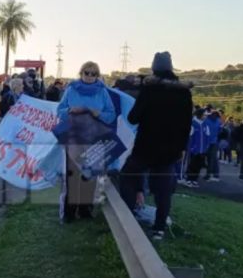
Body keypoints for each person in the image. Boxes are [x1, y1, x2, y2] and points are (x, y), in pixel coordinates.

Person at [120, 51, 193, 240]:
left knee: (128, 176)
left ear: (154, 68)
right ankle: (159, 229)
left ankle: (127, 218)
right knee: (163, 191)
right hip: (171, 150)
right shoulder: (184, 92)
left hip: (146, 147)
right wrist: (181, 148)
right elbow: (187, 124)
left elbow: (133, 118)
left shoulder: (150, 90)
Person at [57, 61, 116, 222]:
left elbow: (111, 114)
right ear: (81, 73)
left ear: (98, 76)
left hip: (94, 138)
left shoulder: (103, 92)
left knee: (89, 175)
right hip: (74, 138)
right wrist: (69, 110)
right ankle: (69, 213)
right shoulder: (71, 89)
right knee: (72, 176)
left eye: (93, 74)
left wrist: (99, 114)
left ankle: (85, 210)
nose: (90, 76)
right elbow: (59, 111)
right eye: (86, 73)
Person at [183, 108, 210, 187]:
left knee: (198, 166)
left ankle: (194, 180)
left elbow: (207, 136)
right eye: (204, 115)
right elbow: (189, 137)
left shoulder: (205, 124)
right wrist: (191, 148)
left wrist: (206, 147)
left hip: (202, 150)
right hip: (193, 150)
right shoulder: (193, 124)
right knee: (191, 165)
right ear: (200, 115)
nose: (205, 116)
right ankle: (189, 179)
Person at [204, 109, 222, 181]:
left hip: (207, 142)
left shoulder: (206, 120)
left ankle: (208, 175)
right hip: (214, 141)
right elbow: (220, 131)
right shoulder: (218, 121)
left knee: (208, 158)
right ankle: (214, 174)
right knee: (213, 159)